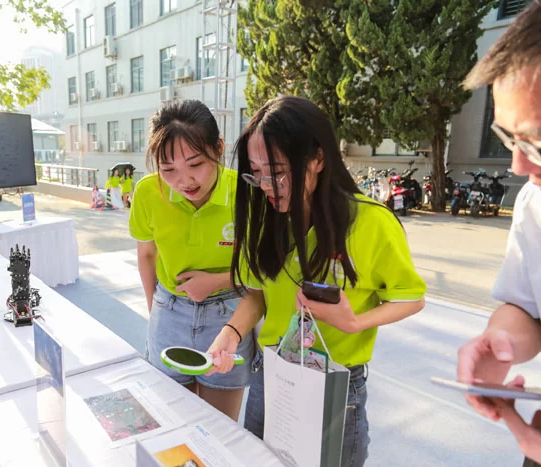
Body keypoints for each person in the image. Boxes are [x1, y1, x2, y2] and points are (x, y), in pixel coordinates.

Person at [206, 95, 426, 465]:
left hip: (335, 384)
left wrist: (354, 322)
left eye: (277, 172)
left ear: (318, 158)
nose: (265, 185)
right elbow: (257, 294)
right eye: (255, 173)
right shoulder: (265, 218)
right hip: (271, 374)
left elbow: (411, 297)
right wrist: (230, 333)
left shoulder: (370, 222)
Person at [128, 99, 254, 421]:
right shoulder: (147, 193)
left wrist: (218, 281)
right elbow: (146, 254)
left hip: (229, 317)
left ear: (219, 148)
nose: (184, 181)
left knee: (217, 429)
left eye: (195, 164)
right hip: (168, 313)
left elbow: (263, 272)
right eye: (168, 170)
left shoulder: (247, 193)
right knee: (168, 425)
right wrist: (156, 310)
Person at [457, 1, 541, 463]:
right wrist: (500, 343)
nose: (519, 165)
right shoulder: (535, 202)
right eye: (509, 137)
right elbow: (527, 307)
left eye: (536, 140)